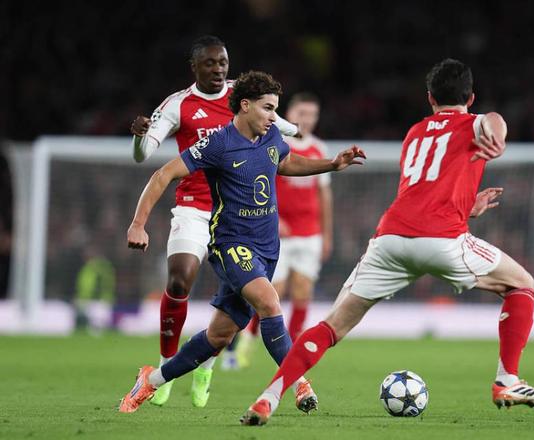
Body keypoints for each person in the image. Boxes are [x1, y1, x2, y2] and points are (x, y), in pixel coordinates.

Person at [240, 59, 534, 426]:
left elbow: (424, 191)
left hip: (390, 239)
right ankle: (507, 381)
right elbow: (493, 122)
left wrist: (467, 206)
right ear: (471, 98)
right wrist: (497, 133)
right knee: (521, 283)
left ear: (430, 98)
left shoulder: (415, 133)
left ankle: (268, 397)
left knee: (332, 326)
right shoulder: (474, 123)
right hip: (442, 239)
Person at [118, 70, 366, 414]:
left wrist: (332, 164)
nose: (274, 117)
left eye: (275, 109)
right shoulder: (217, 144)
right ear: (245, 106)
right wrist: (138, 224)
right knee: (270, 302)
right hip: (232, 245)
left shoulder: (270, 136)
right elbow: (164, 174)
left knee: (218, 336)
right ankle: (298, 384)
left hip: (267, 248)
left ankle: (151, 380)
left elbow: (286, 161)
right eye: (268, 108)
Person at [129, 35, 299, 407]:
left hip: (236, 213)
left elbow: (279, 124)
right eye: (210, 63)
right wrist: (140, 138)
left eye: (223, 62)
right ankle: (166, 364)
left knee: (235, 302)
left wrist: (295, 131)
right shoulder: (178, 104)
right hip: (194, 205)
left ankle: (204, 364)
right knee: (180, 277)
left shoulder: (243, 95)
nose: (218, 69)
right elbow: (145, 155)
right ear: (195, 67)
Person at [235, 92, 331, 366]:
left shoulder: (319, 149)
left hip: (310, 232)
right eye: (302, 113)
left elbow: (324, 196)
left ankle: (291, 354)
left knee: (302, 291)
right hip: (277, 233)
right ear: (289, 114)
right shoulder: (275, 143)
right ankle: (247, 340)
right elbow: (260, 186)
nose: (307, 119)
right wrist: (276, 219)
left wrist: (327, 235)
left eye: (312, 114)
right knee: (272, 291)